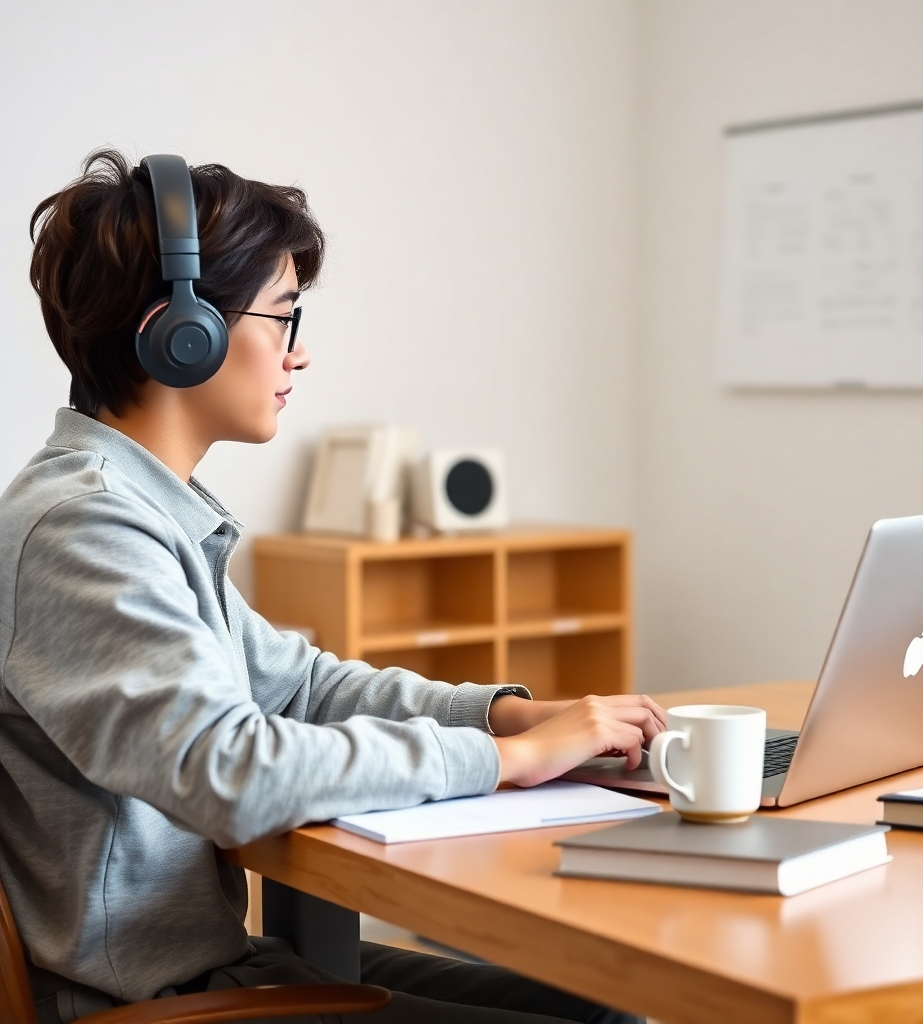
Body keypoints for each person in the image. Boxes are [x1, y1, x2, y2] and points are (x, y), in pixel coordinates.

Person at [0, 149, 666, 1024]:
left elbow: (299, 684)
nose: (299, 351)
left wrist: (502, 715)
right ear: (182, 331)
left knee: (607, 1004)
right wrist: (507, 762)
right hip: (148, 1001)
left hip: (216, 967)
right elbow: (228, 768)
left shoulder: (141, 508)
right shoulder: (85, 529)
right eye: (282, 316)